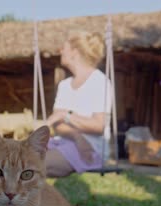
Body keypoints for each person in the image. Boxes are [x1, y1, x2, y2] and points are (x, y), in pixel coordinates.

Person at [45, 31, 113, 177]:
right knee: (17, 159)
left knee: (33, 166)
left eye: (64, 48)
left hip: (91, 149)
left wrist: (66, 115)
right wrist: (77, 136)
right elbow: (58, 125)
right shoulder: (64, 85)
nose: (60, 51)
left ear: (74, 53)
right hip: (64, 142)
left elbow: (98, 125)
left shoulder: (99, 82)